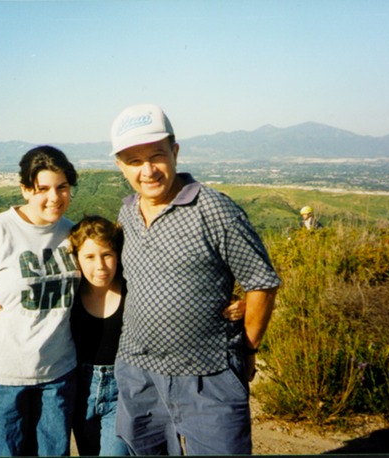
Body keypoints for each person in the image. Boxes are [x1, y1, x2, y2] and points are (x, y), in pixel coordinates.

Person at [0, 214, 247, 456]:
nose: (100, 266)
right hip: (78, 386)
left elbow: (179, 302)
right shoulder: (69, 289)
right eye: (90, 257)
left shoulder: (135, 289)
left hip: (123, 386)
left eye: (107, 255)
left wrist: (231, 304)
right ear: (76, 258)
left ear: (118, 254)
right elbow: (26, 294)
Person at [108, 103, 282, 455]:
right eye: (134, 161)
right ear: (120, 166)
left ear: (175, 152)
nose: (147, 171)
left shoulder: (214, 209)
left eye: (156, 156)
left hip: (209, 374)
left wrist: (248, 349)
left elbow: (261, 282)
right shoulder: (126, 212)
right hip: (138, 373)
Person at [0, 145, 81, 457]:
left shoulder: (72, 233)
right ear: (25, 190)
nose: (54, 198)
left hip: (58, 378)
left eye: (62, 188)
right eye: (42, 189)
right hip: (0, 380)